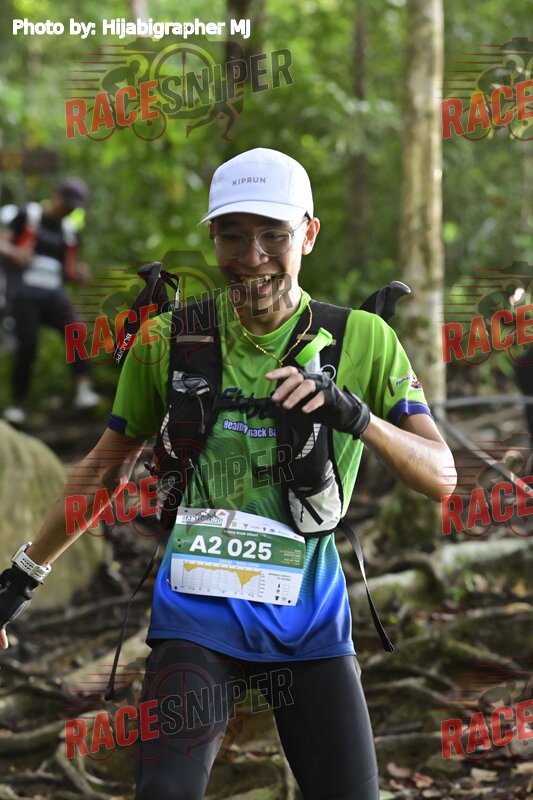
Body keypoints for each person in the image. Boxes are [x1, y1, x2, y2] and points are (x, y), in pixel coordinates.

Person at [0, 149, 456, 799]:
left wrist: (357, 417)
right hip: (194, 619)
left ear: (308, 234)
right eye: (233, 236)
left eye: (273, 235)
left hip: (310, 625)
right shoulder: (168, 338)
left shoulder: (362, 339)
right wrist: (20, 580)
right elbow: (103, 471)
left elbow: (441, 477)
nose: (253, 256)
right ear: (212, 238)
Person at [0, 177, 99, 425]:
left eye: (74, 207)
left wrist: (79, 274)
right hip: (24, 293)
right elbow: (2, 242)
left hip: (53, 293)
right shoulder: (28, 215)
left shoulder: (68, 231)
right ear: (56, 196)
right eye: (67, 204)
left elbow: (68, 271)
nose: (69, 210)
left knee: (75, 330)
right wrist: (15, 252)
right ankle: (18, 404)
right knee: (27, 345)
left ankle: (83, 390)